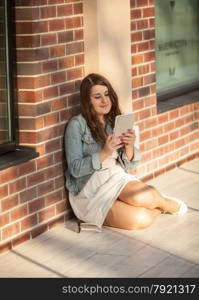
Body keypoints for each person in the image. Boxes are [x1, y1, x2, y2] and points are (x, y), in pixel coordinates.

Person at [64, 73, 187, 231]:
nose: (104, 100)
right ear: (87, 101)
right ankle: (157, 206)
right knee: (139, 219)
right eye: (97, 96)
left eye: (107, 94)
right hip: (89, 190)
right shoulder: (77, 125)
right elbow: (75, 169)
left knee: (143, 196)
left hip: (115, 176)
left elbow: (129, 165)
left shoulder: (114, 120)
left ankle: (164, 202)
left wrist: (129, 146)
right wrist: (105, 152)